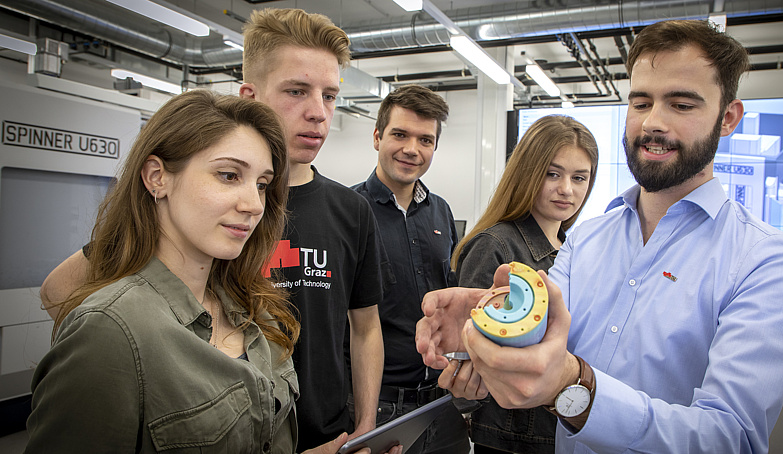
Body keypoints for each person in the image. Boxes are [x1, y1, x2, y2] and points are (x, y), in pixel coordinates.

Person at [416, 19, 783, 454]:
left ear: (728, 118)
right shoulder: (586, 240)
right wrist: (487, 327)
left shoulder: (766, 263)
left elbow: (729, 438)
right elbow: (542, 333)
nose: (653, 123)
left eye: (682, 105)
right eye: (641, 102)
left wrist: (576, 387)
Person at [39, 8, 388, 453]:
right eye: (297, 91)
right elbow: (60, 292)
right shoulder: (132, 300)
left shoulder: (346, 211)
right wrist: (138, 364)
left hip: (306, 428)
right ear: (250, 96)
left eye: (330, 96)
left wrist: (366, 424)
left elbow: (364, 327)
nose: (318, 113)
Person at [27, 90, 300, 452]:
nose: (253, 205)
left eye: (262, 185)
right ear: (157, 177)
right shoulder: (109, 331)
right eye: (229, 175)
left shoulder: (252, 308)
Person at [449, 115, 598, 454]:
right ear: (527, 173)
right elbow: (471, 360)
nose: (567, 189)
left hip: (564, 428)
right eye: (553, 174)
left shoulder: (573, 251)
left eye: (579, 178)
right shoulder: (495, 246)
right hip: (514, 438)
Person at [352, 84, 470, 453]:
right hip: (379, 405)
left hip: (440, 400)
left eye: (425, 140)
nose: (411, 150)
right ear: (377, 137)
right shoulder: (349, 210)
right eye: (400, 134)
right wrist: (363, 418)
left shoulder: (441, 212)